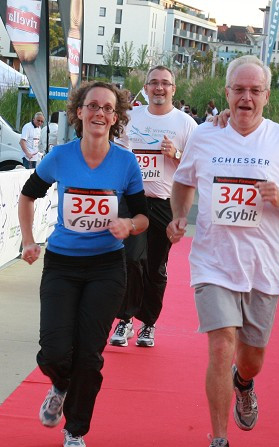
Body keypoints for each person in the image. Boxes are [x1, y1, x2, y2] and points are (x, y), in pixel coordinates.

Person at [167, 55, 279, 447]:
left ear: (267, 96)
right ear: (227, 93)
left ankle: (244, 382)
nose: (246, 98)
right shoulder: (204, 136)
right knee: (220, 347)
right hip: (213, 263)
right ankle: (219, 443)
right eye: (239, 89)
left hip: (262, 269)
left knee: (251, 358)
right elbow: (182, 181)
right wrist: (179, 215)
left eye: (255, 91)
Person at [17, 81, 148, 447]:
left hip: (106, 267)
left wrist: (129, 225)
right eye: (93, 106)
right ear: (79, 112)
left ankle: (75, 429)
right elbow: (28, 196)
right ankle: (60, 384)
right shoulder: (60, 156)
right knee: (55, 351)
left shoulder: (125, 162)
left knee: (90, 354)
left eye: (108, 108)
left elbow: (142, 216)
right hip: (62, 263)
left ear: (116, 117)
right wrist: (29, 241)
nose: (100, 114)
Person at [110, 65, 196, 348]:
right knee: (131, 260)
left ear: (174, 89)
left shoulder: (185, 124)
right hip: (134, 201)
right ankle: (125, 320)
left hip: (164, 203)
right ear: (145, 88)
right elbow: (116, 152)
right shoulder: (130, 118)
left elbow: (198, 167)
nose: (159, 88)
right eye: (153, 83)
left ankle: (149, 323)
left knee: (156, 266)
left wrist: (176, 154)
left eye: (165, 83)